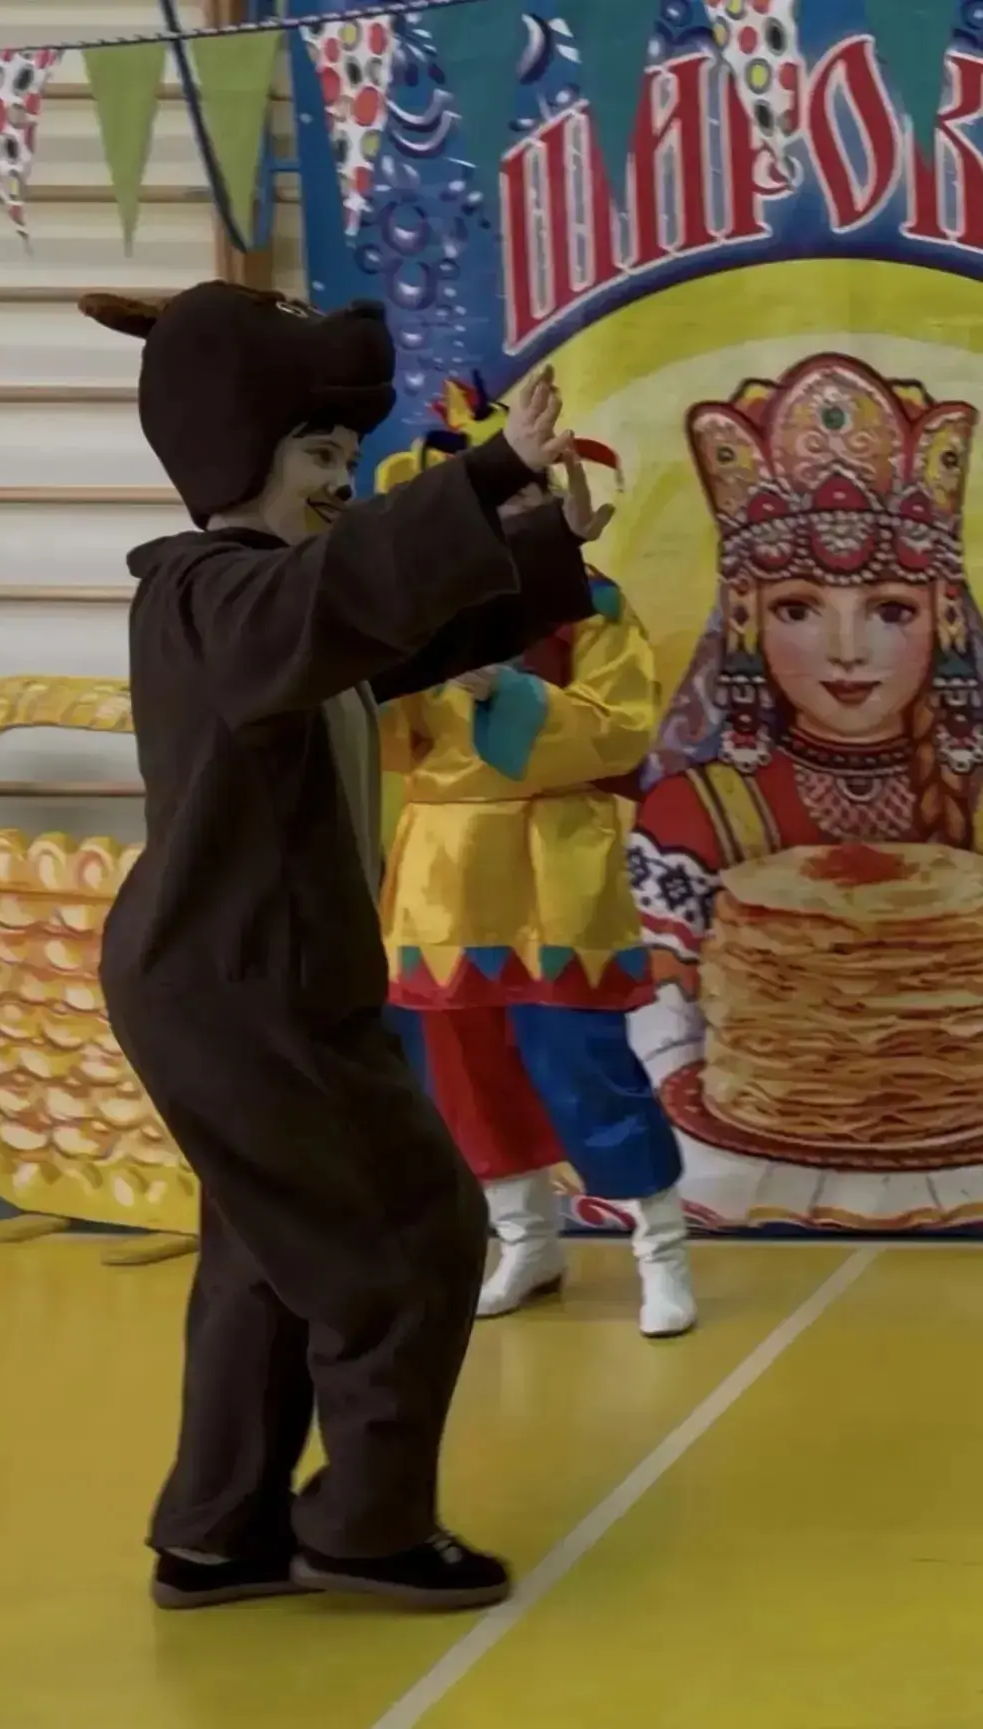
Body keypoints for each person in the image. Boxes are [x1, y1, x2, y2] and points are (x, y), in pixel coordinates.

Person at [81, 279, 595, 1613]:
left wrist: (544, 545)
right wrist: (487, 472)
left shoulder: (275, 616)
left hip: (239, 982)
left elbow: (392, 625)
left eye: (346, 456)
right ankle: (365, 1521)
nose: (340, 481)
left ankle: (218, 1528)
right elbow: (351, 590)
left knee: (268, 1253)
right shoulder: (215, 597)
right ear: (233, 453)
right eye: (318, 454)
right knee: (411, 1235)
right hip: (245, 991)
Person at [628, 353, 983, 1223]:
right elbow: (662, 1024)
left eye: (891, 610)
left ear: (943, 620)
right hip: (748, 1168)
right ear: (746, 623)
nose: (847, 649)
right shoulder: (693, 815)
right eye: (798, 608)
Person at [378, 388, 694, 1337]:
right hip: (444, 873)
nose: (513, 509)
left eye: (527, 491)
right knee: (465, 1073)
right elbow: (393, 743)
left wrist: (507, 695)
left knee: (588, 1065)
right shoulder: (417, 609)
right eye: (494, 494)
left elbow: (621, 728)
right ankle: (527, 1241)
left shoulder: (593, 602)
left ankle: (661, 1251)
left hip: (555, 862)